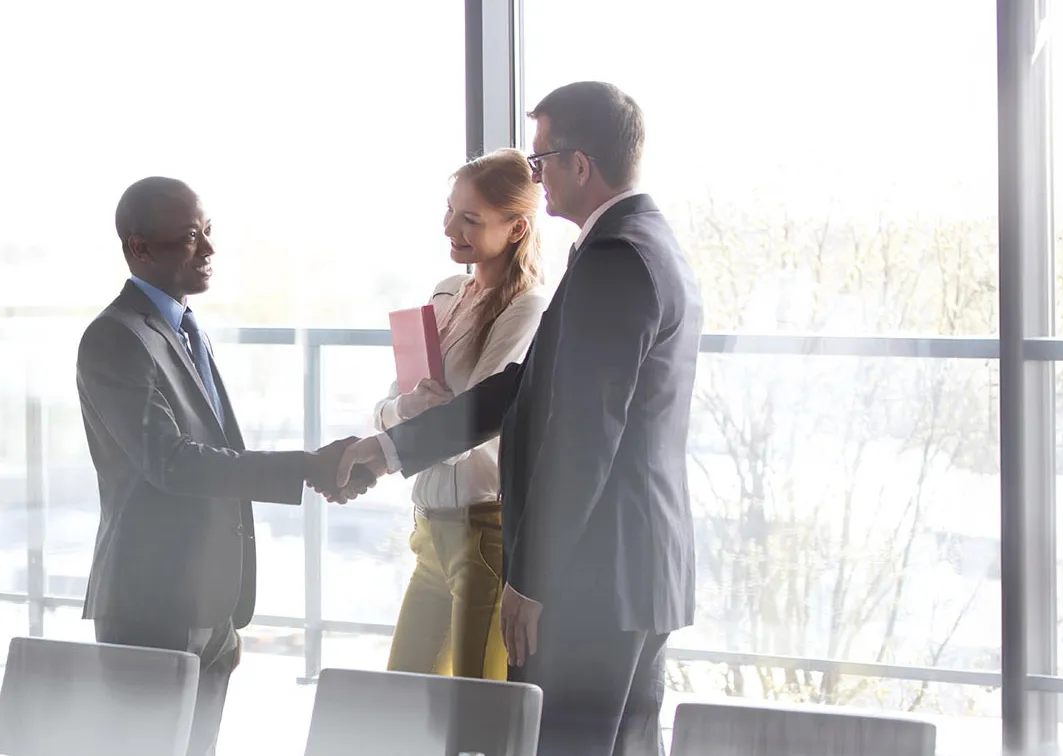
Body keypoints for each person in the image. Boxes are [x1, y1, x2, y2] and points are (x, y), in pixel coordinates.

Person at [332, 82, 703, 755]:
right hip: (635, 573)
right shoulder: (646, 244)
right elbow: (521, 392)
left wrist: (531, 578)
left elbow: (585, 435)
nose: (537, 176)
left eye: (541, 160)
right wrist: (388, 449)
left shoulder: (616, 259)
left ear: (580, 165)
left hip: (597, 577)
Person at [76, 176, 370, 756]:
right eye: (190, 238)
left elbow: (212, 451)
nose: (209, 249)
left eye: (208, 232)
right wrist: (307, 467)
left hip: (208, 604)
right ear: (140, 248)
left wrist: (223, 621)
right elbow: (174, 464)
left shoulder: (184, 330)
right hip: (151, 605)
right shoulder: (114, 338)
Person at [375, 148, 549, 681]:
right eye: (451, 210)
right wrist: (412, 412)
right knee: (400, 696)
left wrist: (417, 424)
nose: (451, 227)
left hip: (481, 536)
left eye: (471, 218)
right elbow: (387, 407)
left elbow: (469, 433)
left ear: (517, 228)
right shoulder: (446, 293)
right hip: (428, 532)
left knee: (471, 714)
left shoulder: (527, 306)